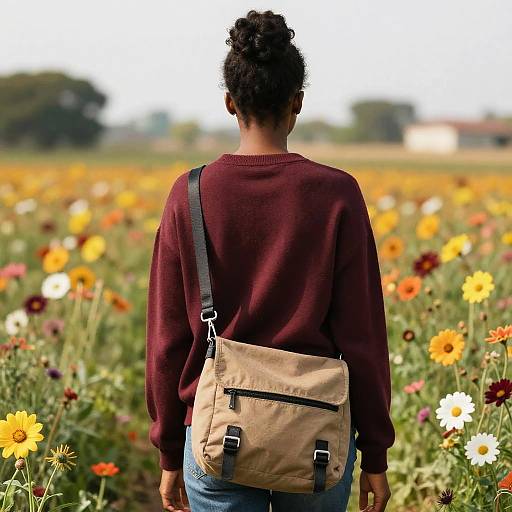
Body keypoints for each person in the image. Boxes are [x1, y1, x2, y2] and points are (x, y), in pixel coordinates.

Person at [145, 9, 395, 512]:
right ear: (297, 102)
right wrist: (375, 454)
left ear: (229, 103)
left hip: (217, 429)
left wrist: (170, 449)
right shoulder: (337, 194)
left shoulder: (190, 193)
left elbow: (168, 338)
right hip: (317, 434)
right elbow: (361, 335)